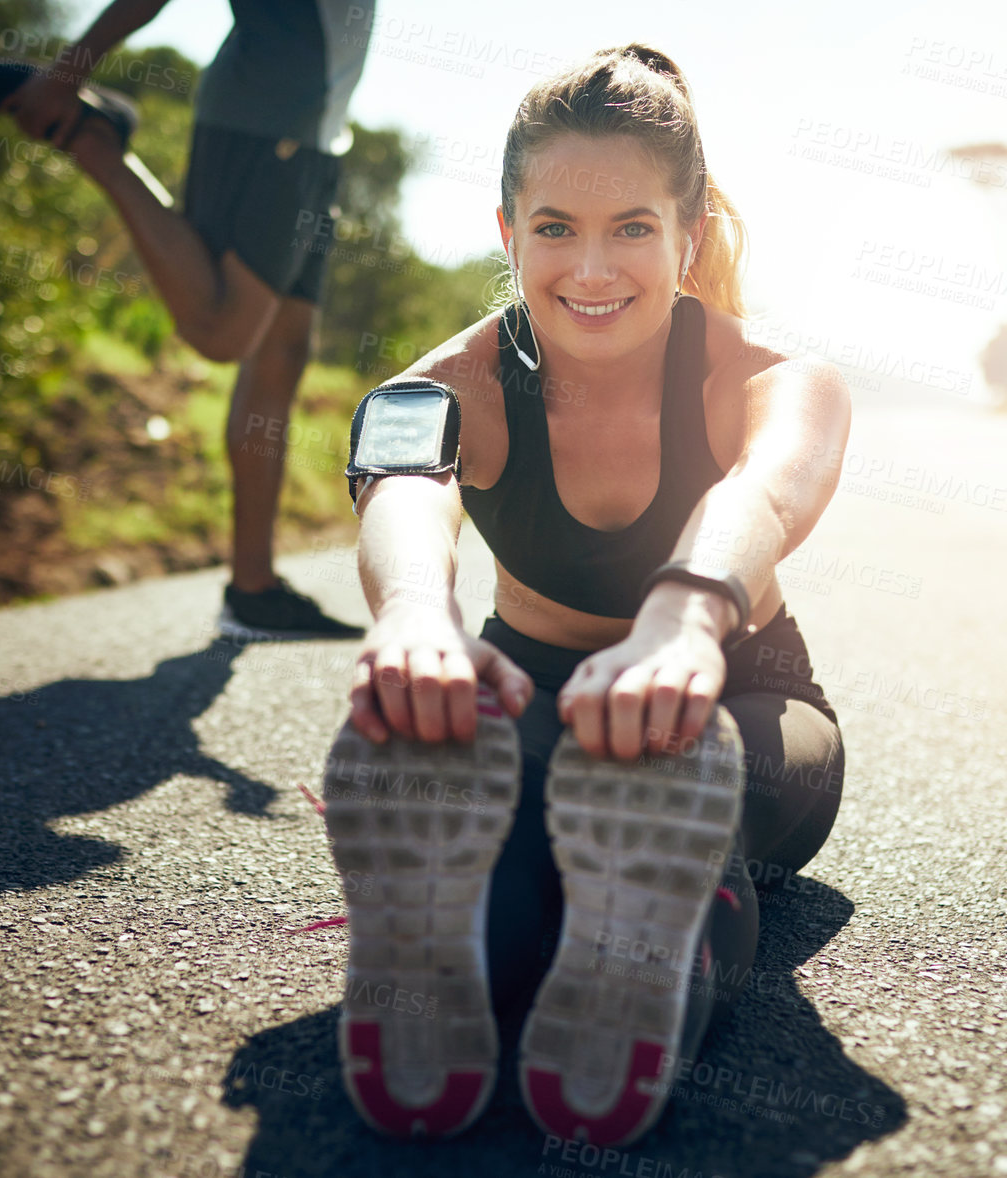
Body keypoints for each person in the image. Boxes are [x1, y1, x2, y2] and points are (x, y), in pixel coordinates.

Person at [318, 44, 852, 1145]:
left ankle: (670, 931)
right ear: (508, 231)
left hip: (736, 707)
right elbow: (404, 492)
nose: (591, 268)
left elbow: (768, 486)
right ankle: (460, 958)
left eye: (633, 229)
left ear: (688, 235)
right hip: (529, 702)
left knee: (691, 794)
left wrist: (686, 617)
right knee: (511, 927)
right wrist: (417, 613)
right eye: (555, 226)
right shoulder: (441, 385)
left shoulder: (772, 379)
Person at [0, 0, 374, 639]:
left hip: (319, 135)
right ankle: (95, 145)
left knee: (282, 350)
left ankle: (253, 589)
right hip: (263, 117)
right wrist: (66, 73)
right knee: (222, 331)